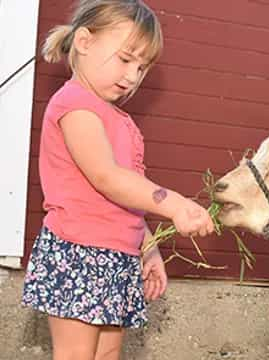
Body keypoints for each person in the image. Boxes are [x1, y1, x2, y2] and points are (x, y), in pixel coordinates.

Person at [22, 1, 215, 359]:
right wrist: (174, 203)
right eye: (126, 59)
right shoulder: (76, 105)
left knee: (108, 354)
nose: (132, 76)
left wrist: (148, 247)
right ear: (84, 41)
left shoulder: (121, 120)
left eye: (142, 67)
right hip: (78, 252)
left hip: (118, 256)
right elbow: (107, 177)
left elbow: (127, 197)